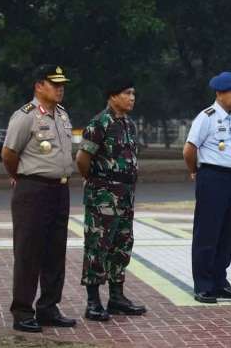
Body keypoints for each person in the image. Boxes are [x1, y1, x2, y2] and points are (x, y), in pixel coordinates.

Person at [1, 64, 76, 332]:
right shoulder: (26, 116)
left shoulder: (63, 116)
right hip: (33, 190)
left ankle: (48, 308)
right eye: (54, 84)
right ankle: (22, 311)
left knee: (55, 251)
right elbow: (9, 154)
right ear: (38, 86)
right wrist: (21, 177)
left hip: (60, 190)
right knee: (28, 252)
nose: (60, 88)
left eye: (62, 84)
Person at [76, 78, 147, 320]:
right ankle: (93, 302)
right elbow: (82, 159)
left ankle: (117, 297)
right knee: (98, 246)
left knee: (122, 244)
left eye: (133, 93)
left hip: (126, 195)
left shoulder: (129, 124)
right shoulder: (99, 123)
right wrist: (96, 182)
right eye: (127, 93)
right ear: (113, 96)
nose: (132, 98)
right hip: (103, 196)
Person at [183, 71, 231, 303]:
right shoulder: (206, 117)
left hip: (229, 179)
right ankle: (203, 284)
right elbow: (189, 149)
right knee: (207, 233)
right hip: (211, 177)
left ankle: (220, 280)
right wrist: (194, 171)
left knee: (226, 233)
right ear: (220, 93)